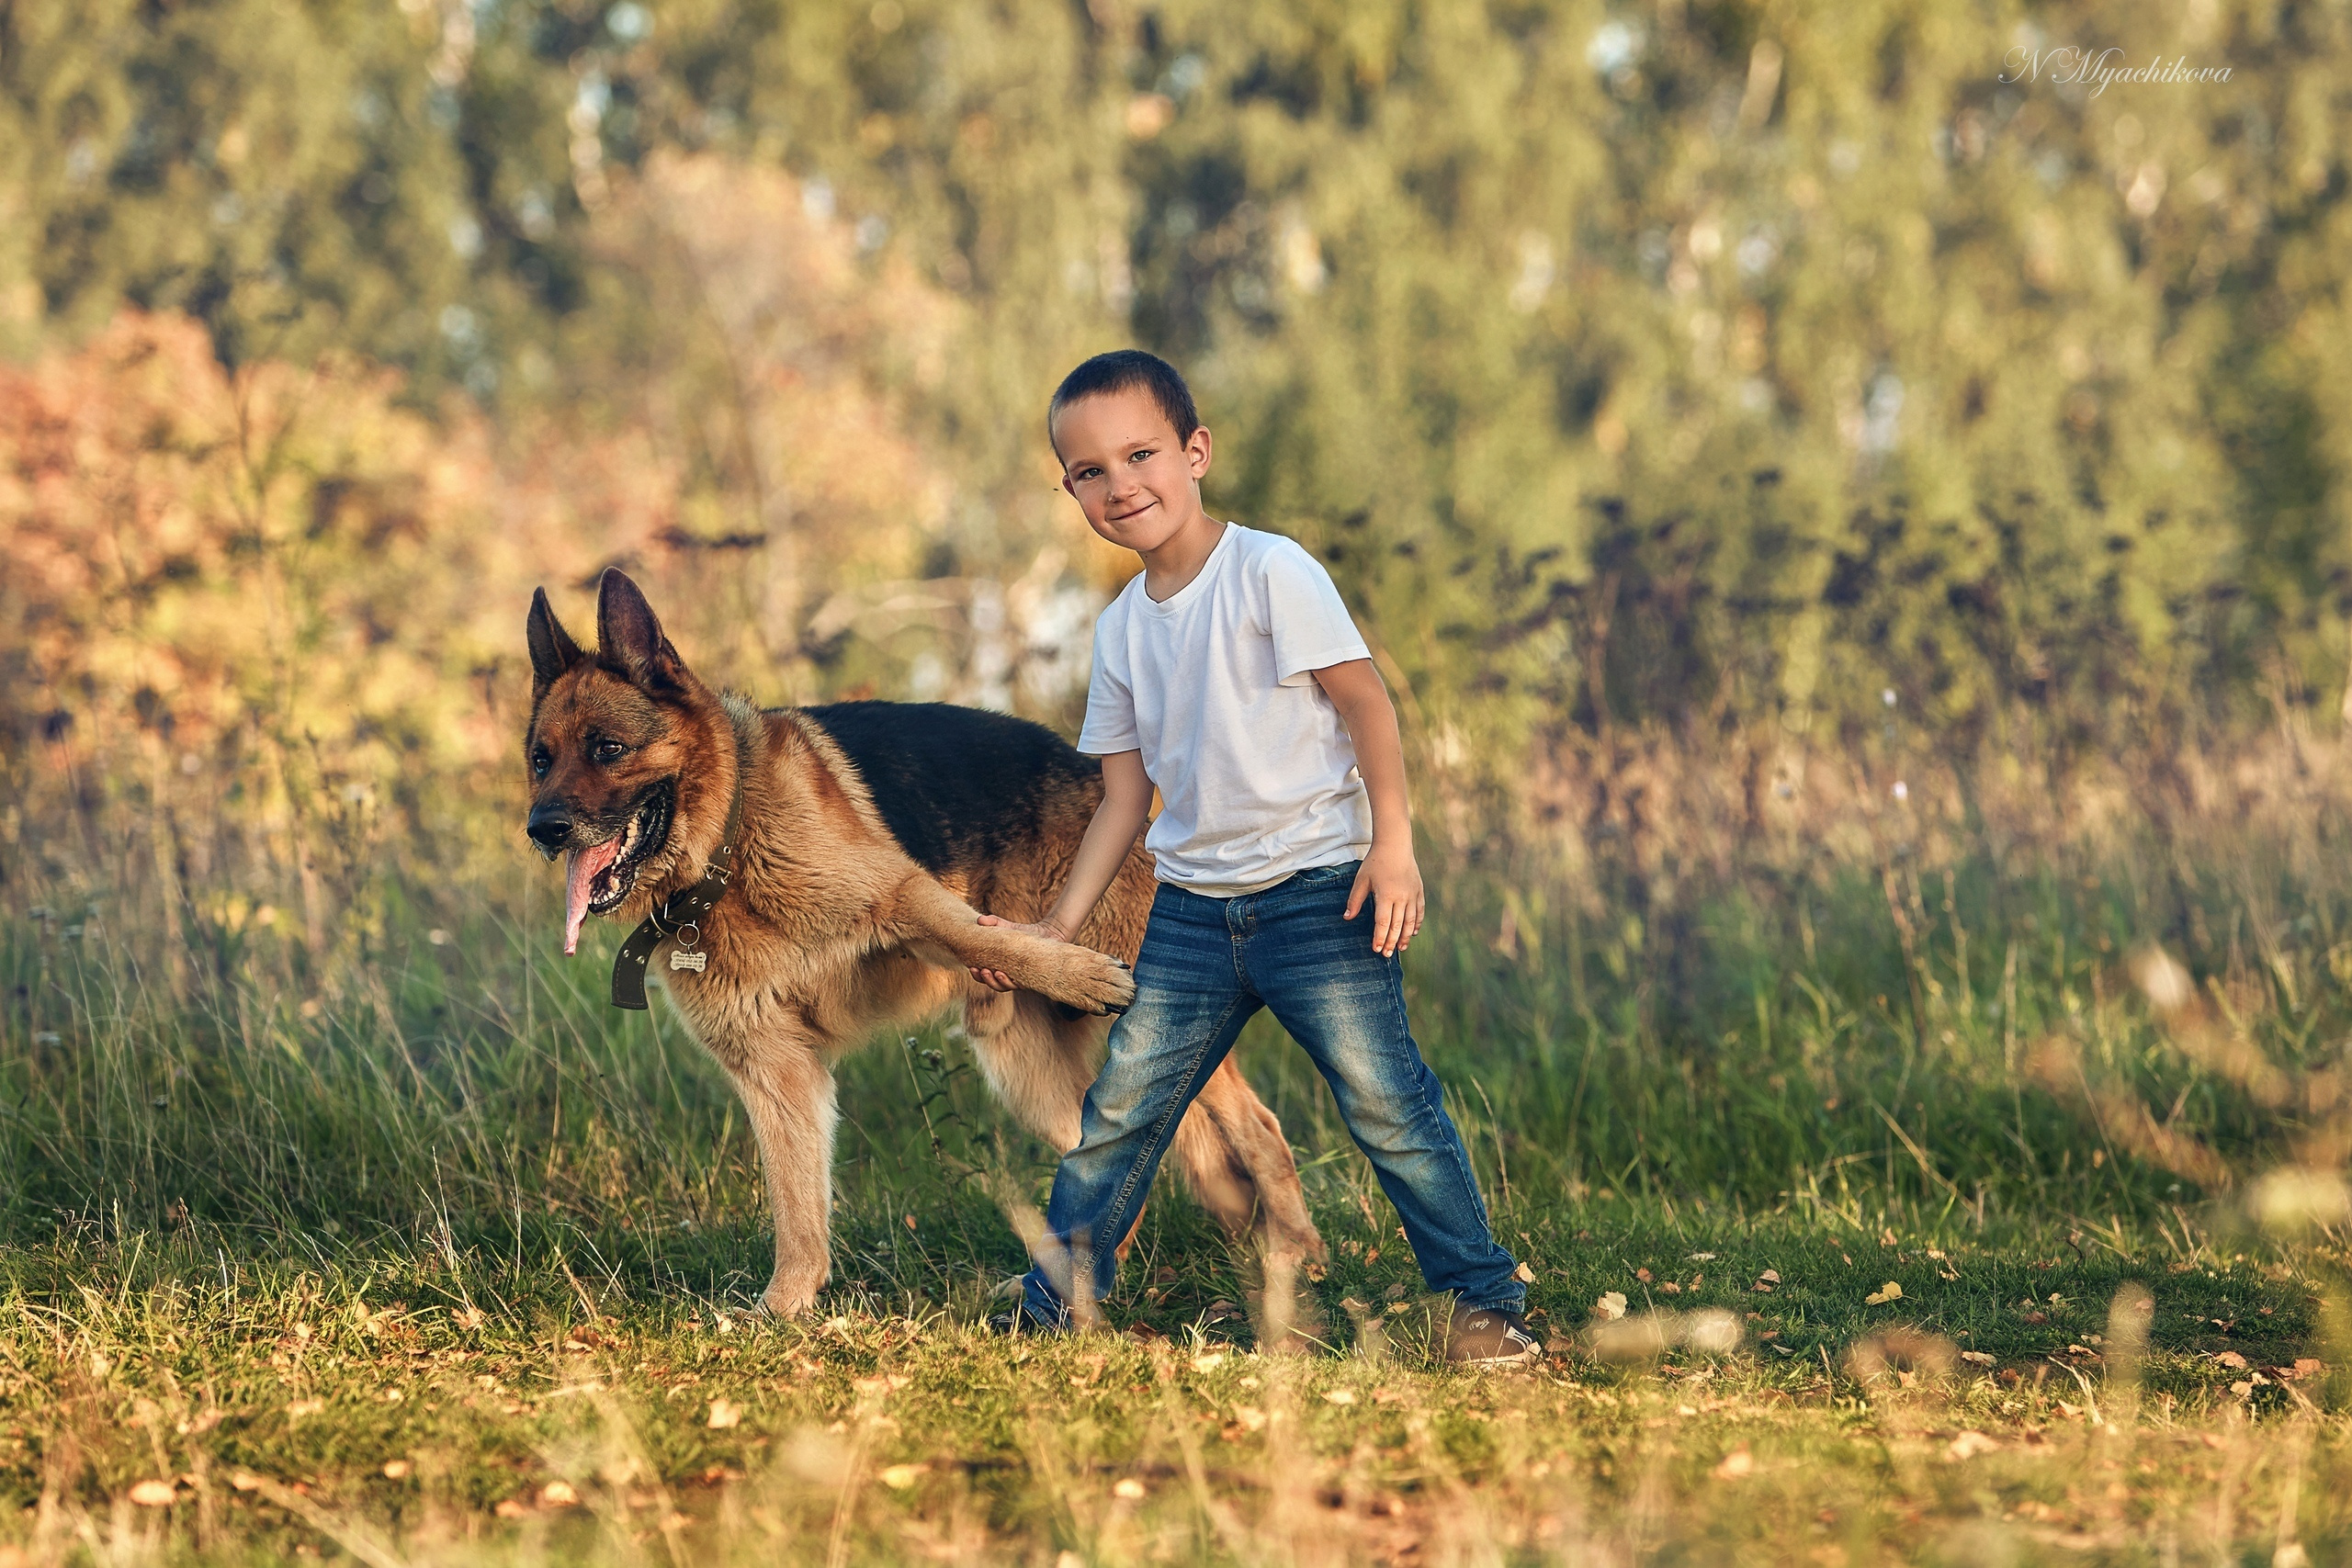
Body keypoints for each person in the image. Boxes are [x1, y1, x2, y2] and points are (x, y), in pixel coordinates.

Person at [970, 349, 1538, 1366]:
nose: (1119, 485)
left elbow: (1367, 704)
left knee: (1387, 1104)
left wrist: (1392, 851)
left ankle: (1482, 1303)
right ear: (1069, 489)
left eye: (1140, 454)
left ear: (1195, 451)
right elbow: (1122, 801)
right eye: (1089, 472)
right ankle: (1057, 1301)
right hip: (1189, 912)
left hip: (1320, 897)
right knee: (1121, 1113)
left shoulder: (1270, 570)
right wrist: (1054, 928)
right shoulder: (1119, 633)